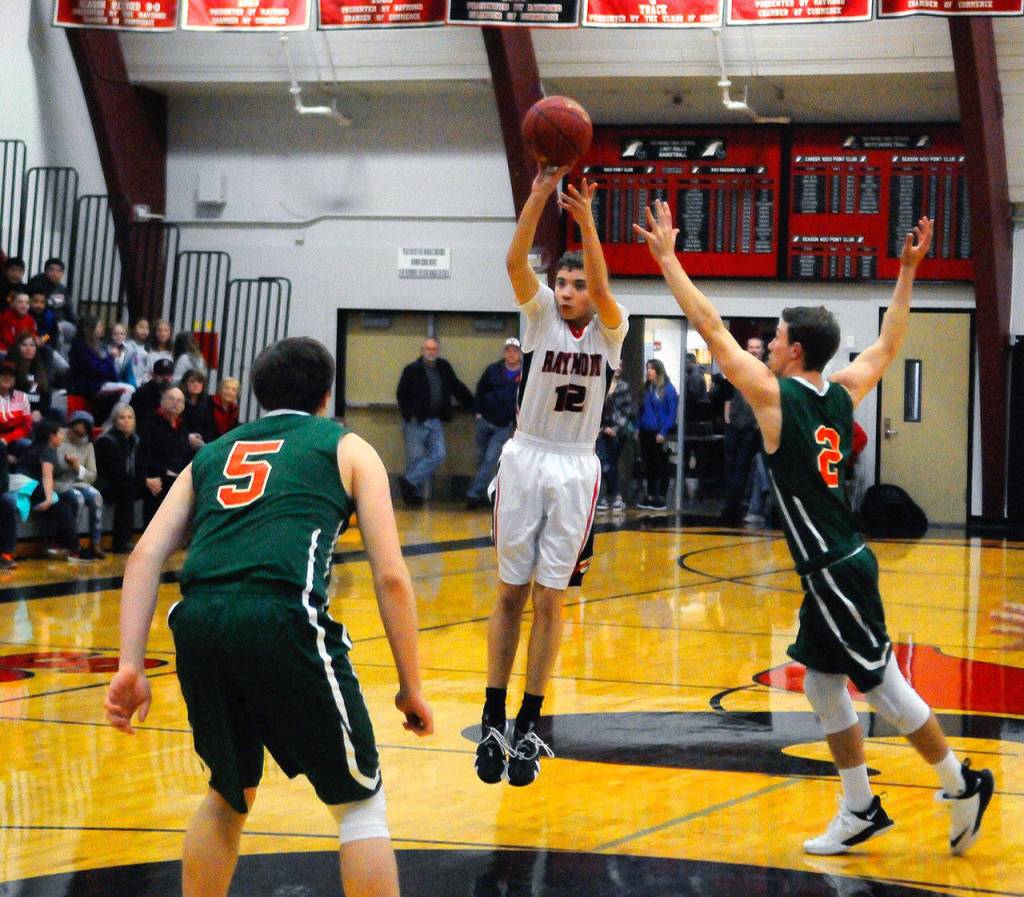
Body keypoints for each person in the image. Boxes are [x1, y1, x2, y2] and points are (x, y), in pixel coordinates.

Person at [637, 203, 993, 856]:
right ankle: (859, 806)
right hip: (837, 563)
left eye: (773, 337)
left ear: (793, 348)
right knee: (823, 682)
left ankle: (960, 780)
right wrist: (908, 271)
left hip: (834, 568)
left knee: (883, 682)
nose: (767, 345)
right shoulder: (841, 390)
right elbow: (887, 342)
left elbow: (710, 326)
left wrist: (667, 259)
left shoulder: (778, 400)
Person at [104, 336, 433, 897]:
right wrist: (411, 686)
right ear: (326, 396)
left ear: (257, 394)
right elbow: (392, 576)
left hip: (200, 620)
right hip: (282, 614)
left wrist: (130, 665)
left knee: (229, 795)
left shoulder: (211, 454)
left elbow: (143, 556)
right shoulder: (347, 447)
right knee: (360, 805)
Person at [475, 168, 627, 788]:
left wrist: (588, 221)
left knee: (551, 598)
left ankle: (531, 722)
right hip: (526, 458)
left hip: (576, 467)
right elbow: (515, 261)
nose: (565, 291)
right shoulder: (538, 318)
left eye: (575, 283)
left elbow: (606, 288)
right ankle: (491, 714)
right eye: (561, 282)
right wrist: (540, 191)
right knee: (511, 592)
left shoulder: (611, 330)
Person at [395, 337, 473, 507]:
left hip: (435, 419)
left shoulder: (444, 368)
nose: (431, 352)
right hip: (416, 421)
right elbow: (402, 393)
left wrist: (474, 405)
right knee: (414, 459)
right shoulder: (412, 370)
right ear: (422, 351)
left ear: (438, 351)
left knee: (439, 454)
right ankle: (412, 497)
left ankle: (408, 481)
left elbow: (456, 387)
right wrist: (410, 414)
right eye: (428, 349)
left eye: (434, 349)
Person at [466, 337, 522, 510]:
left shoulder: (523, 375)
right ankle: (483, 492)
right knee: (481, 459)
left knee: (491, 459)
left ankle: (473, 494)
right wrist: (478, 412)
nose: (511, 354)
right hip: (485, 420)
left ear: (519, 354)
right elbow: (480, 390)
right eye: (508, 350)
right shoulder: (493, 370)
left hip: (503, 424)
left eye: (514, 351)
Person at [16, 419, 84, 561]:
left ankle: (60, 543)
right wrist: (48, 499)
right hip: (29, 488)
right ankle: (74, 548)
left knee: (70, 499)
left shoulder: (34, 447)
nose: (62, 436)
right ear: (51, 436)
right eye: (60, 433)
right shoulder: (48, 450)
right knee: (62, 506)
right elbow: (47, 476)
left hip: (24, 486)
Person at [721, 337, 766, 525]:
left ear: (762, 351)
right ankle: (731, 504)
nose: (754, 350)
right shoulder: (738, 367)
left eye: (757, 347)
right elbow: (728, 395)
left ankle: (734, 507)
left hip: (751, 428)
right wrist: (727, 418)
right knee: (731, 468)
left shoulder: (765, 371)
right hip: (734, 425)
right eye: (751, 347)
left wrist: (758, 424)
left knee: (742, 468)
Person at [54, 410, 106, 560]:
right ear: (70, 426)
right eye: (75, 432)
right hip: (61, 482)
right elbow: (53, 468)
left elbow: (92, 475)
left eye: (81, 434)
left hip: (79, 482)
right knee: (77, 498)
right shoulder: (59, 438)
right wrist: (68, 465)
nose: (77, 436)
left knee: (96, 496)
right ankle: (70, 541)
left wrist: (77, 468)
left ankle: (95, 543)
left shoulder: (88, 445)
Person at [139, 386, 192, 523]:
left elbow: (186, 455)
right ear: (162, 401)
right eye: (172, 399)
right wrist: (165, 471)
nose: (176, 403)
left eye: (180, 400)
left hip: (178, 475)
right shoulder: (150, 423)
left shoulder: (183, 427)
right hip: (157, 475)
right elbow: (144, 456)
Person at [95, 403, 142, 554]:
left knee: (154, 489)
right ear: (114, 420)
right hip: (104, 484)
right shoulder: (106, 441)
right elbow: (115, 474)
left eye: (130, 417)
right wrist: (143, 481)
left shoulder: (135, 440)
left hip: (127, 481)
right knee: (127, 490)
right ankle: (120, 542)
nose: (126, 421)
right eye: (122, 417)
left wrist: (147, 481)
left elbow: (139, 468)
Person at [68, 315, 135, 422]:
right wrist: (110, 358)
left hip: (100, 382)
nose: (101, 329)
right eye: (98, 327)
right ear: (88, 329)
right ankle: (112, 422)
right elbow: (95, 369)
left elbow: (107, 370)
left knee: (129, 388)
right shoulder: (80, 347)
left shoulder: (98, 345)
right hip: (89, 385)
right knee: (129, 390)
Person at [636, 359, 678, 511]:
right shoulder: (646, 388)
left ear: (659, 370)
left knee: (661, 464)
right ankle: (651, 494)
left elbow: (671, 414)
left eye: (652, 368)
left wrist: (664, 432)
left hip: (658, 432)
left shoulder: (668, 389)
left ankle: (661, 496)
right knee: (649, 465)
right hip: (645, 430)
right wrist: (637, 428)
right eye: (647, 368)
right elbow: (641, 410)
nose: (649, 371)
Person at [596, 362, 634, 512]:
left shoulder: (623, 387)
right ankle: (612, 495)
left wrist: (616, 428)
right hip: (601, 430)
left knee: (612, 462)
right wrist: (602, 428)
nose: (618, 368)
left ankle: (614, 496)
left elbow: (627, 411)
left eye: (620, 365)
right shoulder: (601, 384)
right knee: (604, 464)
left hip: (618, 431)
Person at [27, 258, 76, 349]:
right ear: (45, 271)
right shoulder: (37, 287)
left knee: (81, 332)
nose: (55, 273)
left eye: (58, 271)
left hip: (59, 324)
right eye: (51, 270)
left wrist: (79, 325)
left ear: (62, 274)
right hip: (45, 326)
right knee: (57, 335)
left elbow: (69, 311)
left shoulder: (62, 289)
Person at [10, 331, 51, 421]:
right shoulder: (11, 369)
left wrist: (40, 411)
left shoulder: (40, 370)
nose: (28, 348)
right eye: (24, 345)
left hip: (36, 414)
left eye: (32, 345)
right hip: (16, 412)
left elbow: (46, 396)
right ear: (18, 348)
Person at [0, 361, 33, 457]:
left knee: (26, 444)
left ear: (15, 380)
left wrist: (6, 439)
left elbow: (27, 426)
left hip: (14, 438)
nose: (7, 377)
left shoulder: (22, 397)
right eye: (3, 374)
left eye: (11, 375)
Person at [130, 357, 175, 426]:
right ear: (153, 375)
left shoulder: (174, 392)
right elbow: (142, 420)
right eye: (162, 375)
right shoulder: (142, 393)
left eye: (169, 375)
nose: (166, 378)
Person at [180, 369, 215, 451]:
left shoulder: (207, 403)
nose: (196, 384)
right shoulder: (180, 402)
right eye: (192, 381)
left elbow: (210, 426)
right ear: (185, 384)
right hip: (184, 443)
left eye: (199, 382)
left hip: (203, 443)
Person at [0, 289, 37, 354]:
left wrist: (44, 338)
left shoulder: (30, 320)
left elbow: (33, 336)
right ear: (12, 304)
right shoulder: (5, 318)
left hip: (23, 352)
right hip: (5, 350)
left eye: (27, 302)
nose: (24, 305)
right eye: (20, 302)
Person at [108, 322, 139, 388]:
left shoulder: (130, 351)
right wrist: (110, 357)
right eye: (115, 334)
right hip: (109, 381)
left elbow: (130, 373)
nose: (119, 336)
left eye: (122, 334)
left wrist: (134, 387)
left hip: (123, 381)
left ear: (126, 335)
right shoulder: (106, 350)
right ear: (111, 335)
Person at [125, 318, 150, 385]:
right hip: (129, 383)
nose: (144, 331)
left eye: (147, 328)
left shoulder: (149, 348)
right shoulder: (127, 346)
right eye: (141, 327)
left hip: (143, 383)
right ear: (133, 329)